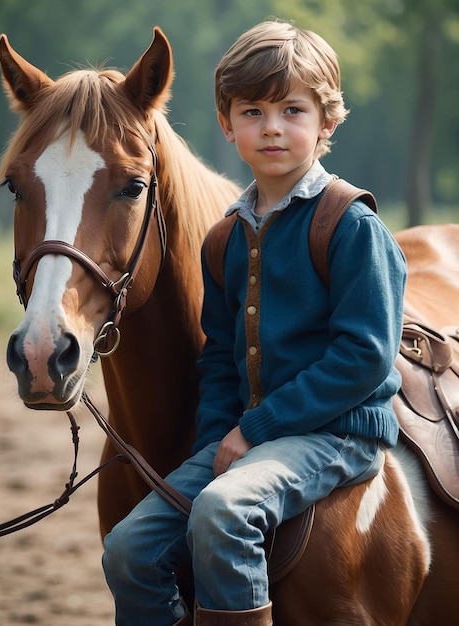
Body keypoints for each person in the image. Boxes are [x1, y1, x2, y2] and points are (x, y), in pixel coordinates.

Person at [102, 19, 406, 626]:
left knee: (222, 512)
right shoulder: (225, 238)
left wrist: (258, 426)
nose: (271, 127)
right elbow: (219, 357)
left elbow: (365, 356)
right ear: (227, 125)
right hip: (249, 434)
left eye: (292, 109)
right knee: (127, 548)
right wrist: (217, 438)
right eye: (252, 111)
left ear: (326, 124)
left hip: (337, 434)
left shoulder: (350, 225)